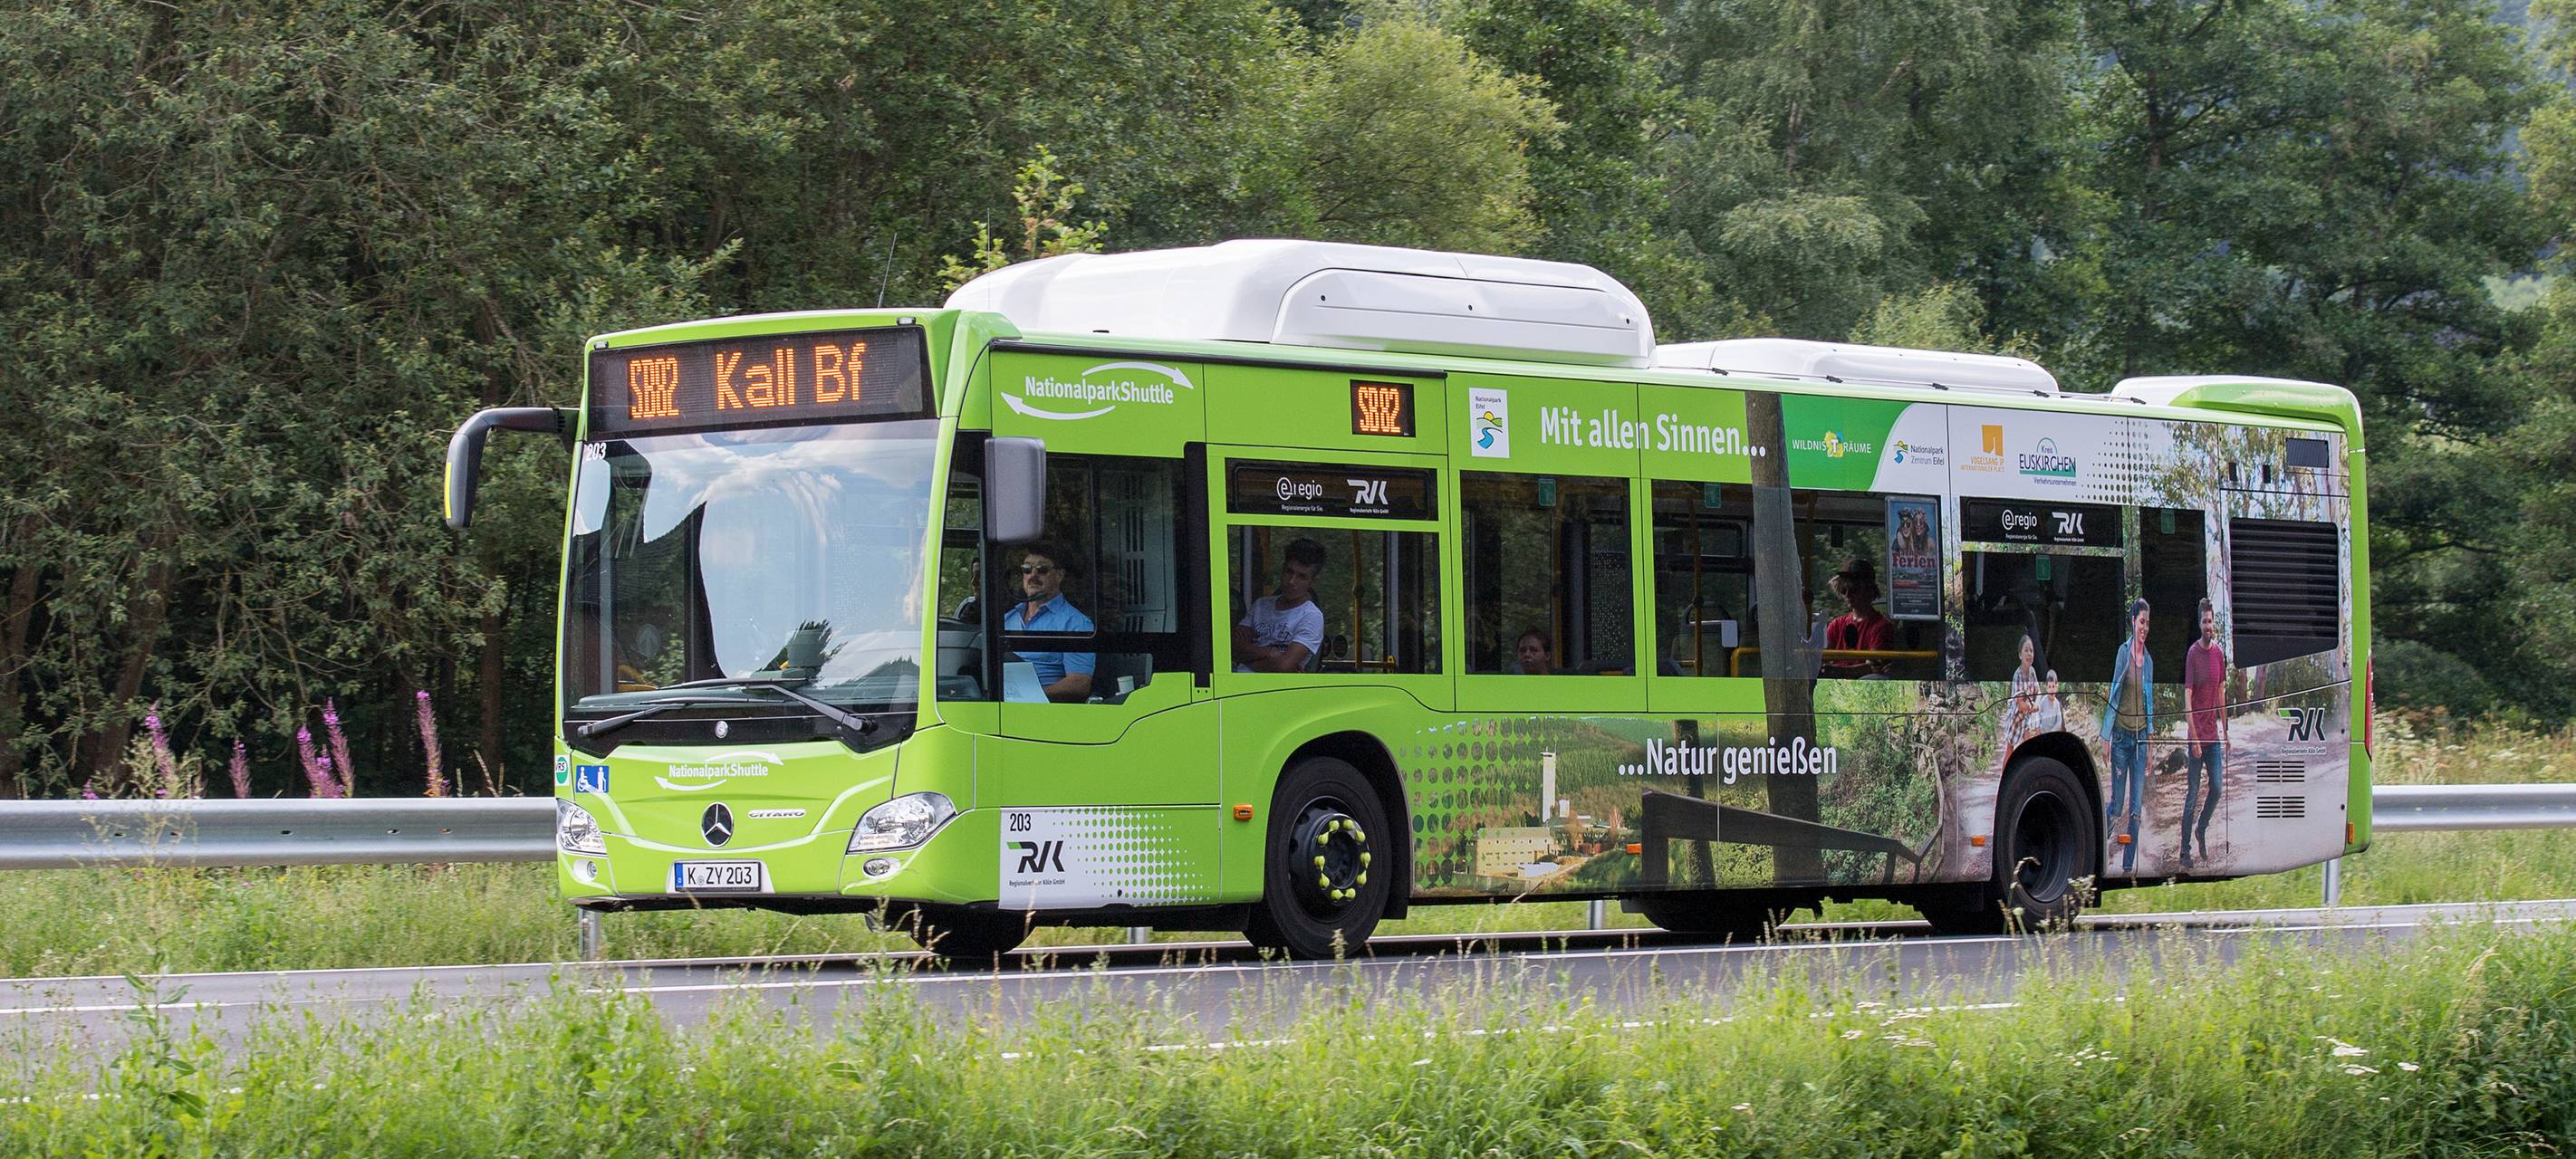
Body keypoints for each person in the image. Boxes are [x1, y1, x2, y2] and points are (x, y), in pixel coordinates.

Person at [1001, 541, 1094, 702]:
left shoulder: (1076, 623)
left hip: (1045, 710)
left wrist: (1032, 696)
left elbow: (1080, 683)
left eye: (1042, 569)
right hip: (999, 705)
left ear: (1059, 576)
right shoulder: (1007, 618)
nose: (1032, 575)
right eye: (1027, 569)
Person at [2101, 598, 2154, 872]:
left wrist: (2151, 747)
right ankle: (2100, 849)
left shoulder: (2150, 662)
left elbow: (2150, 705)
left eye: (2147, 622)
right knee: (2117, 805)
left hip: (2141, 741)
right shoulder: (2123, 653)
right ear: (2133, 621)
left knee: (2136, 809)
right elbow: (2114, 690)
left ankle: (2126, 867)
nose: (2144, 627)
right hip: (2121, 738)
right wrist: (2106, 736)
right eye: (2141, 621)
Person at [2179, 598, 2230, 869]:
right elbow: (2187, 698)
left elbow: (2221, 694)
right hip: (2197, 738)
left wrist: (2226, 730)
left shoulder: (2219, 654)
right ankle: (2184, 851)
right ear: (2199, 624)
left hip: (2213, 738)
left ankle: (2202, 828)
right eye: (2204, 621)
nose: (2208, 626)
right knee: (2192, 795)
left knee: (2218, 788)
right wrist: (2194, 736)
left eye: (2211, 621)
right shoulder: (2192, 654)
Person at [1235, 538, 1326, 673]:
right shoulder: (1261, 605)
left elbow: (1283, 666)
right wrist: (1270, 653)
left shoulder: (1311, 617)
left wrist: (1248, 659)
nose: (1291, 581)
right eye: (1289, 572)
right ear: (1282, 569)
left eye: (1302, 577)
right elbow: (1233, 648)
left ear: (1312, 581)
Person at [1822, 559, 1896, 677]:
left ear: (1869, 590)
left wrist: (1837, 671)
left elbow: (1872, 668)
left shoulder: (1882, 627)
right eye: (1843, 591)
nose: (1847, 595)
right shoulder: (1836, 625)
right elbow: (1822, 657)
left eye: (1853, 590)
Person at [1998, 634, 2042, 773]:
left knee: (2030, 745)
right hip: (2016, 719)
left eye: (2032, 651)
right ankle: (2003, 777)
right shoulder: (2017, 675)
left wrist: (2037, 703)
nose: (2029, 654)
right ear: (2020, 655)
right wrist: (2032, 707)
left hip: (2027, 719)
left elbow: (2038, 693)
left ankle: (2028, 774)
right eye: (2026, 650)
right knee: (2010, 749)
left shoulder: (2033, 672)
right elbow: (2021, 704)